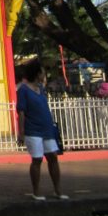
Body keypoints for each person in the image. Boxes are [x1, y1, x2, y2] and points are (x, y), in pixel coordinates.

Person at [16, 59, 68, 201]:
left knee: (53, 157)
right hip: (33, 129)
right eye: (42, 72)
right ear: (37, 73)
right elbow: (21, 112)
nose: (44, 75)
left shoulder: (41, 88)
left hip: (46, 128)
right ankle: (36, 191)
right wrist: (21, 132)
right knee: (37, 159)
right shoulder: (23, 90)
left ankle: (58, 190)